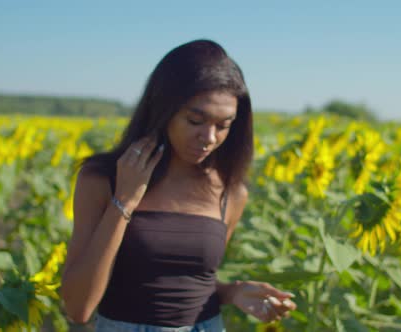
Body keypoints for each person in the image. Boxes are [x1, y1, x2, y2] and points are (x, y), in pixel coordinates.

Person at [60, 39, 297, 331]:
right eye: (195, 120)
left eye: (223, 125)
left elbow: (192, 283)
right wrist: (124, 200)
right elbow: (78, 307)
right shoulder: (102, 179)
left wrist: (233, 292)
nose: (209, 137)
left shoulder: (230, 192)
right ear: (163, 110)